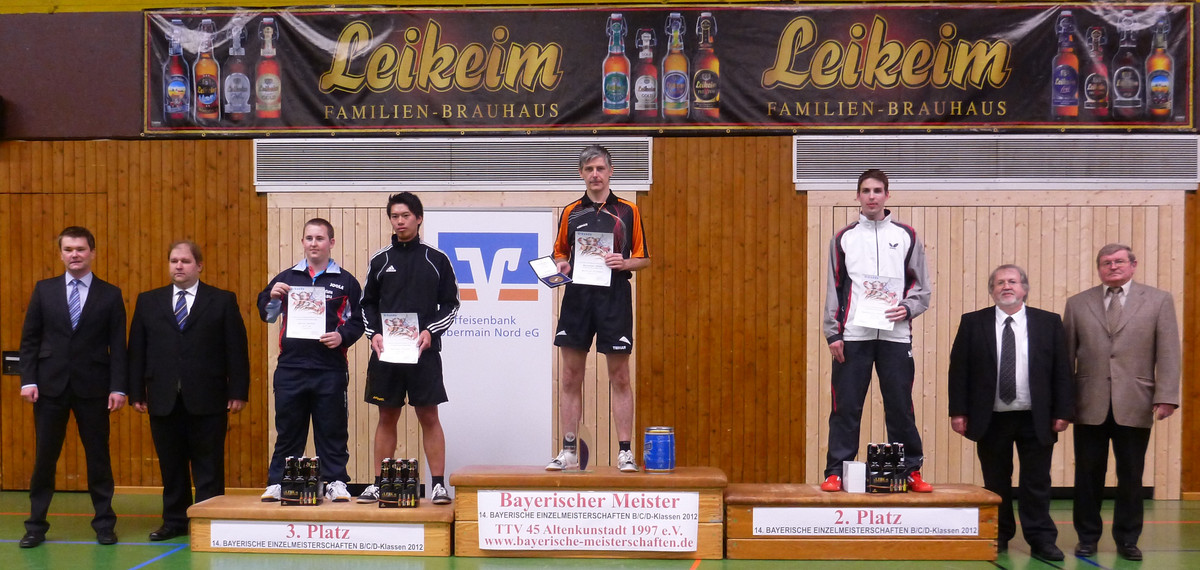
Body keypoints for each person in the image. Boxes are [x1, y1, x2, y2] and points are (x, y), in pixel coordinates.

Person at [948, 264, 1073, 561]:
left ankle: (1041, 538)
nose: (1006, 286)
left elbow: (1062, 369)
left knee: (1036, 481)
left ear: (1024, 289)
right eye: (1000, 282)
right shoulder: (973, 322)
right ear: (992, 291)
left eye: (1013, 282)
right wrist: (958, 411)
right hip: (991, 417)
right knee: (995, 481)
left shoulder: (1048, 322)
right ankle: (999, 534)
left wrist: (1063, 410)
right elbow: (959, 370)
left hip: (1036, 416)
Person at [1064, 244, 1180, 561]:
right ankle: (1087, 537)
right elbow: (1065, 357)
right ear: (1099, 268)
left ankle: (1128, 539)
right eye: (1106, 263)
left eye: (1119, 261)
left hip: (1136, 401)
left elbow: (1169, 351)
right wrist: (1064, 403)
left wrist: (1166, 396)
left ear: (1133, 265)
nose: (1113, 267)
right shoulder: (1077, 303)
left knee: (1131, 475)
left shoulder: (1158, 300)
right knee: (1087, 475)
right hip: (1088, 403)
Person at [128, 241, 250, 541]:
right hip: (163, 396)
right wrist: (136, 392)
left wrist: (238, 391)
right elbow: (137, 350)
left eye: (185, 261)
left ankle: (209, 520)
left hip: (209, 395)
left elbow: (236, 349)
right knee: (171, 465)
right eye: (174, 261)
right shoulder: (149, 301)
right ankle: (174, 521)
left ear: (199, 266)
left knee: (209, 464)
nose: (178, 266)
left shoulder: (221, 301)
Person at [820, 169, 932, 493]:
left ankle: (911, 470)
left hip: (895, 336)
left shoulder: (907, 235)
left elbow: (921, 286)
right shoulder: (844, 239)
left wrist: (908, 308)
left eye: (878, 190)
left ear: (887, 195)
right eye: (866, 191)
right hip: (854, 336)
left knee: (900, 406)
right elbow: (834, 288)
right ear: (857, 196)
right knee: (845, 407)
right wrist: (833, 333)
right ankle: (836, 472)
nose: (872, 196)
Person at [18, 226, 127, 548]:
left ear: (92, 252)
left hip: (94, 388)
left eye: (80, 249)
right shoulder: (44, 290)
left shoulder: (110, 294)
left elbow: (118, 346)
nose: (74, 255)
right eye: (68, 249)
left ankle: (104, 524)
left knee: (98, 458)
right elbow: (30, 339)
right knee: (44, 459)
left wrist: (118, 387)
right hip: (49, 387)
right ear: (61, 254)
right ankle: (35, 526)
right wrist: (28, 379)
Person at [546, 144, 650, 473]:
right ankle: (568, 451)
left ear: (610, 171)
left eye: (600, 168)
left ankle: (625, 452)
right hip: (577, 297)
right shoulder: (570, 212)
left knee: (620, 375)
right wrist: (561, 264)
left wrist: (625, 262)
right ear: (581, 174)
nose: (595, 175)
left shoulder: (629, 211)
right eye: (589, 169)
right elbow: (560, 253)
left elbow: (644, 258)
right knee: (570, 376)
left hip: (613, 297)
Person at [358, 193, 458, 505]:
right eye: (394, 216)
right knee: (387, 416)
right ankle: (379, 483)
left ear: (418, 218)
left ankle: (438, 485)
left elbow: (451, 304)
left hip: (423, 353)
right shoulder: (380, 260)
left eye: (405, 216)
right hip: (386, 354)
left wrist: (430, 331)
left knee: (429, 416)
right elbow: (366, 304)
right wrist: (374, 334)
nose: (399, 222)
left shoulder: (436, 259)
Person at [257, 219, 363, 503]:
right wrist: (272, 297)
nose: (314, 243)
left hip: (330, 369)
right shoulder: (286, 278)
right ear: (303, 242)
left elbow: (359, 321)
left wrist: (342, 337)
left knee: (332, 429)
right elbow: (268, 316)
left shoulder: (346, 282)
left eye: (320, 238)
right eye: (309, 238)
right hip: (291, 368)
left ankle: (336, 481)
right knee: (288, 430)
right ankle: (279, 482)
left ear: (331, 243)